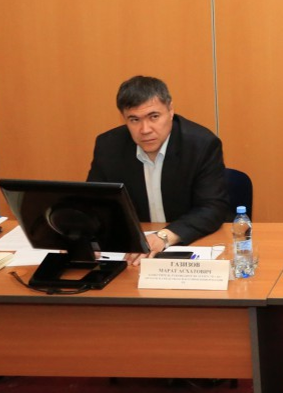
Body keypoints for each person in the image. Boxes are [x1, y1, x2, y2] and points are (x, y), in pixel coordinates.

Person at [87, 75, 229, 257]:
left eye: (154, 117)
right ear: (124, 118)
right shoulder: (108, 146)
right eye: (134, 120)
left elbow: (212, 208)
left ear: (170, 110)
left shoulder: (201, 144)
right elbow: (94, 204)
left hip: (189, 243)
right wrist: (83, 239)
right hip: (133, 251)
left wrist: (163, 237)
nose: (145, 129)